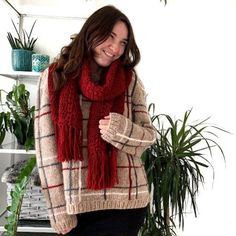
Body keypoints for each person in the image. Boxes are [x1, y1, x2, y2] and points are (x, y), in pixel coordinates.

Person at [35, 5, 156, 236]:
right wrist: (58, 209)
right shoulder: (54, 77)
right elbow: (46, 150)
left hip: (126, 205)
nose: (115, 48)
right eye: (110, 37)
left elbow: (148, 136)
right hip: (76, 208)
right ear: (91, 32)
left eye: (123, 42)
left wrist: (121, 130)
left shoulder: (129, 80)